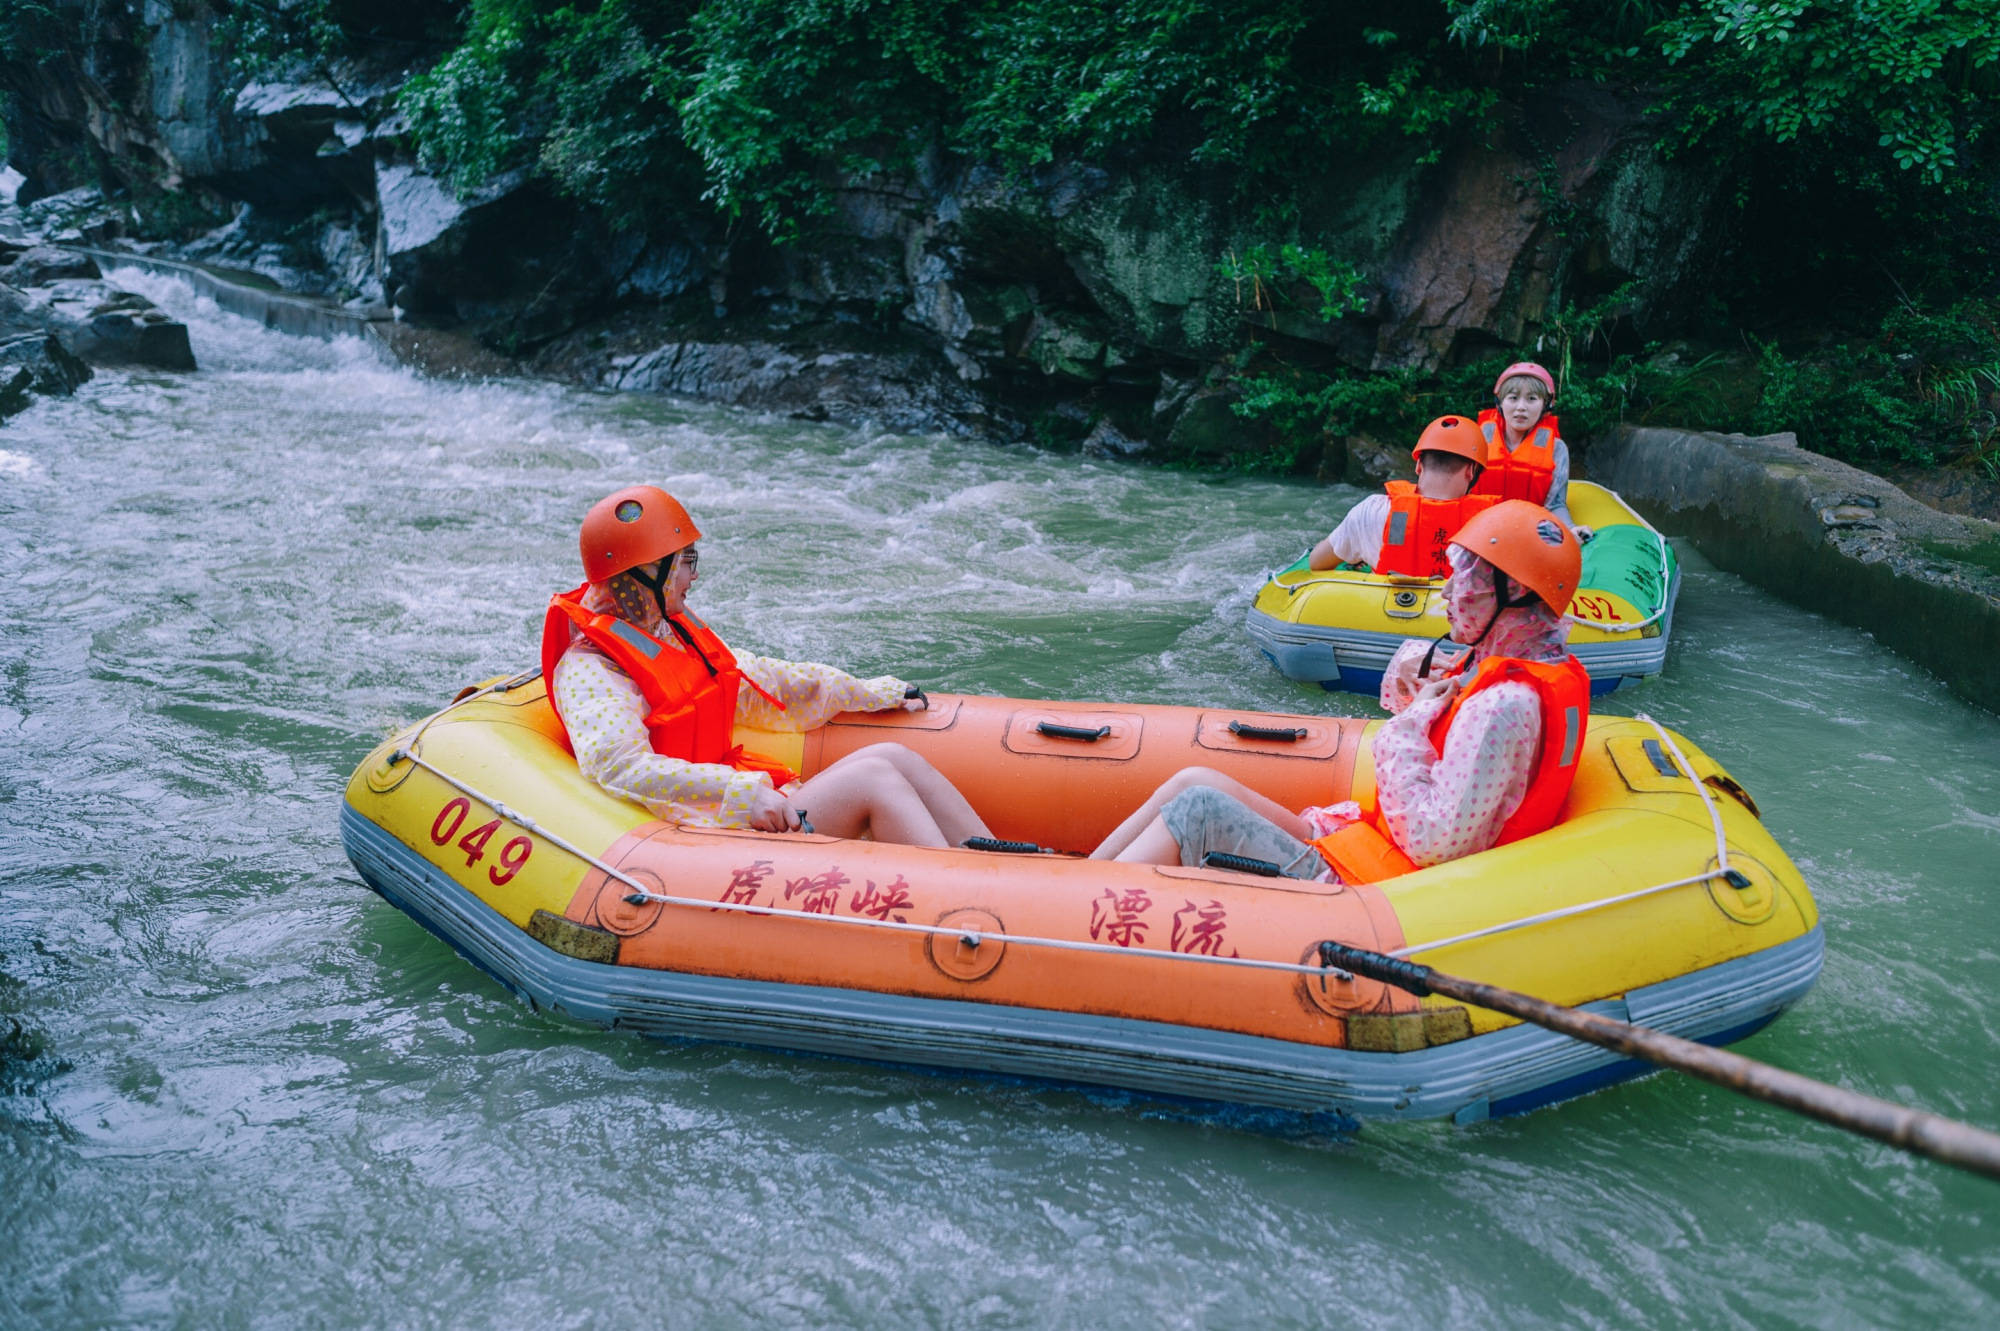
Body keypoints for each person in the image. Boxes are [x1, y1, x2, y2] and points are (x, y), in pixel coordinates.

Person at [1092, 501, 1589, 882]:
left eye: (1468, 581)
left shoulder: (1504, 706)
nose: (1449, 593)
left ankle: (1072, 915)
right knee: (1193, 780)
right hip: (1364, 848)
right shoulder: (1508, 668)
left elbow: (1434, 844)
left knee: (1199, 808)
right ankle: (1075, 883)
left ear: (1516, 594)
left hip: (1381, 891)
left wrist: (1409, 724)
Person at [542, 485, 993, 848]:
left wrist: (866, 692)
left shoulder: (667, 630)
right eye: (685, 562)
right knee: (872, 777)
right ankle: (968, 893)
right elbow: (620, 767)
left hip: (726, 812)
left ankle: (997, 867)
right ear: (645, 574)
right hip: (695, 836)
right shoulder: (591, 672)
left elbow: (762, 682)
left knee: (892, 756)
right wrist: (740, 792)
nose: (694, 575)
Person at [1310, 415, 1498, 575]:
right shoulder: (1491, 524)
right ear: (1471, 471)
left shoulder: (1371, 511)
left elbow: (1316, 562)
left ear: (1418, 465)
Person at [1473, 361, 1582, 533]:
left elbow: (1555, 504)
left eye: (1532, 399)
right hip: (1481, 527)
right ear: (1499, 403)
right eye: (1513, 398)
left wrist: (1571, 529)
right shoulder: (1476, 439)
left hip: (1531, 530)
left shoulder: (1557, 449)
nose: (1521, 407)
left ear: (1546, 405)